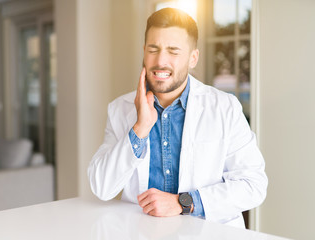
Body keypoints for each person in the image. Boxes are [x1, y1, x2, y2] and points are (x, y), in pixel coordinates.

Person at [88, 8, 267, 228]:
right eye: (153, 49)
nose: (160, 60)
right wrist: (140, 128)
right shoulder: (119, 109)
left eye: (173, 51)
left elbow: (253, 185)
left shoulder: (225, 108)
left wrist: (184, 203)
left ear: (193, 58)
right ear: (144, 51)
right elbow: (102, 187)